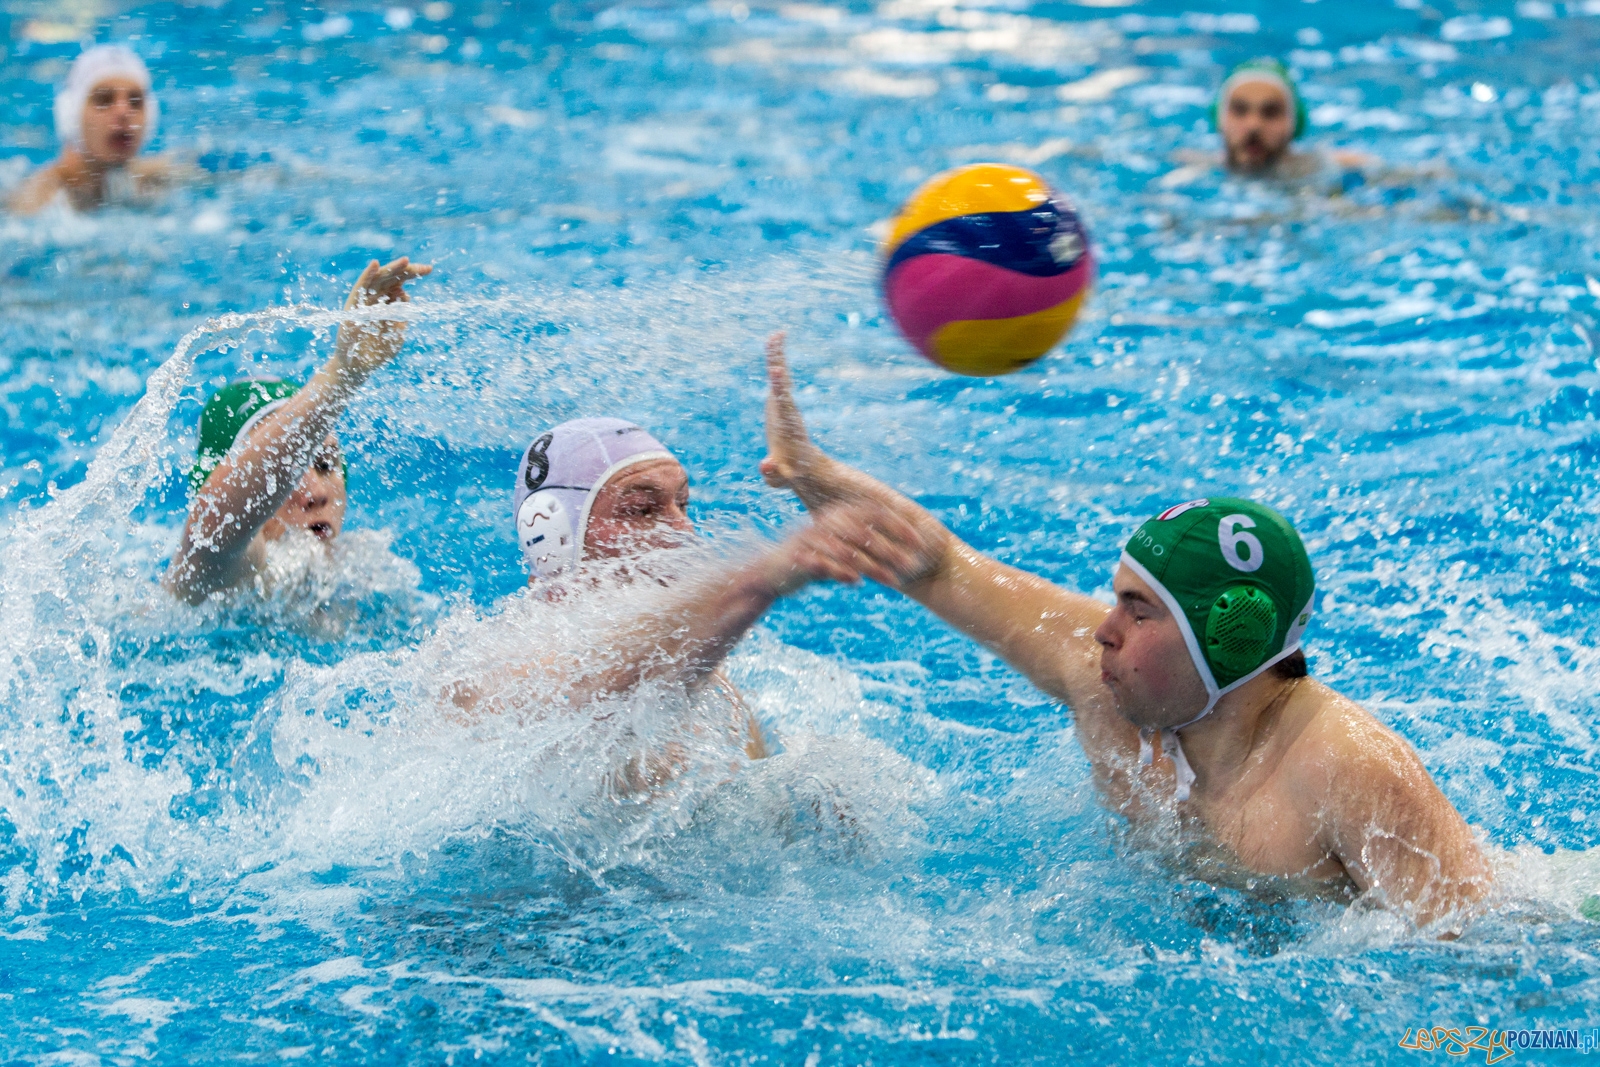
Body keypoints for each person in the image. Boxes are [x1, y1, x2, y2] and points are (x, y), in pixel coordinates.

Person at [760, 334, 1493, 930]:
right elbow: (936, 562)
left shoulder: (1346, 768)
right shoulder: (1110, 687)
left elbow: (1475, 960)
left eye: (1140, 610)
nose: (1103, 631)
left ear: (1230, 637)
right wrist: (810, 473)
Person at [444, 415, 927, 795]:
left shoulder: (715, 683)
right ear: (553, 536)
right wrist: (760, 579)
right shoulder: (490, 668)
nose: (683, 531)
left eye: (683, 504)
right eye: (642, 510)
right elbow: (598, 686)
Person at [164, 256, 431, 604]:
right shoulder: (211, 581)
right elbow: (216, 521)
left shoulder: (365, 572)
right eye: (286, 475)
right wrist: (343, 374)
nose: (315, 493)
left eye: (324, 464)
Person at [7, 45, 189, 215]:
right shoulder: (40, 202)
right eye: (104, 100)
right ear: (71, 115)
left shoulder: (149, 177)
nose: (124, 112)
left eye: (135, 101)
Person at [1160, 57, 1374, 191]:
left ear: (1294, 124)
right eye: (1240, 110)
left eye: (1270, 113)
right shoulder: (1194, 166)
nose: (1254, 125)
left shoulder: (1326, 166)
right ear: (1219, 119)